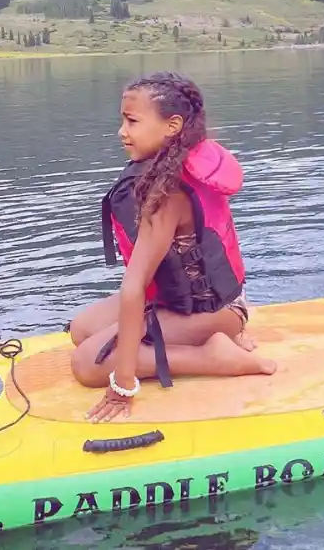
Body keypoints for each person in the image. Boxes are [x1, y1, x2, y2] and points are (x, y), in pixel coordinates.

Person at [69, 71, 276, 422]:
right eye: (122, 120)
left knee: (87, 364)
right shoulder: (171, 166)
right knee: (82, 329)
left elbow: (133, 287)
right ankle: (216, 337)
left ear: (172, 126)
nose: (122, 132)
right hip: (188, 303)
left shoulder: (166, 192)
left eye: (132, 121)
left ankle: (215, 357)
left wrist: (123, 384)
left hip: (210, 311)